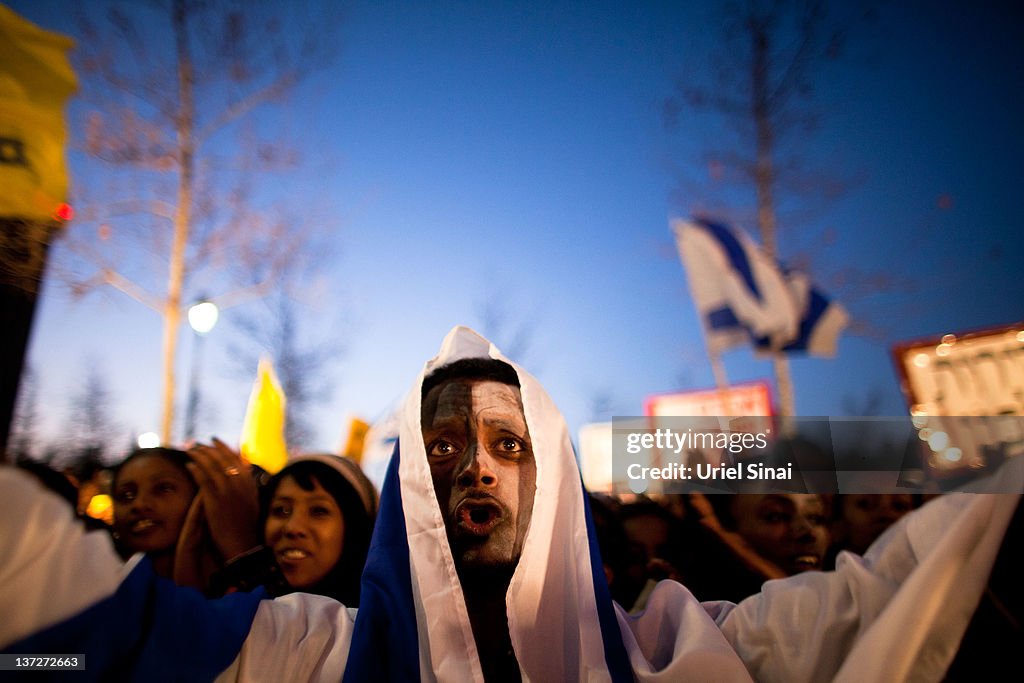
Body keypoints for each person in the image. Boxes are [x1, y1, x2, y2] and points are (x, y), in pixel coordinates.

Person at [1, 326, 1022, 682]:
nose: (473, 470)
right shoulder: (301, 652)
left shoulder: (684, 648)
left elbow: (907, 584)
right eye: (440, 446)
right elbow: (59, 632)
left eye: (508, 444)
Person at [110, 447, 198, 578]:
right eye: (127, 495)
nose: (139, 504)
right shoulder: (97, 593)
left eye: (163, 488)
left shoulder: (235, 588)